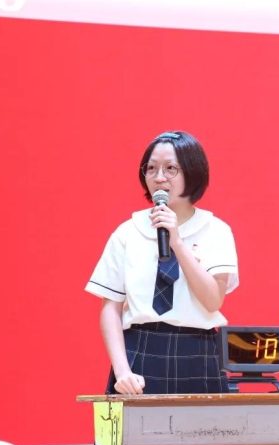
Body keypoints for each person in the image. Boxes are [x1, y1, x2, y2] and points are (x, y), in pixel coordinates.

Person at [85, 130, 239, 399]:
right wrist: (122, 371)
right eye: (151, 168)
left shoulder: (216, 230)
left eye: (170, 169)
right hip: (140, 350)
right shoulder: (127, 232)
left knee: (205, 427)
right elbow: (110, 307)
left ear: (192, 172)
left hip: (198, 351)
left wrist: (176, 241)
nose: (159, 177)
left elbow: (213, 300)